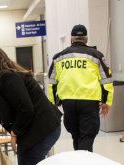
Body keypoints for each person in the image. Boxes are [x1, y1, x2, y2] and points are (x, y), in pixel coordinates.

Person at [48, 24, 114, 152]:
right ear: (87, 39)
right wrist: (107, 102)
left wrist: (53, 103)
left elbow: (51, 83)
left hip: (67, 102)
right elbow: (107, 81)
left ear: (71, 39)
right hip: (89, 101)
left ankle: (78, 162)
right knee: (87, 136)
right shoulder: (97, 55)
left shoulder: (58, 57)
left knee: (75, 135)